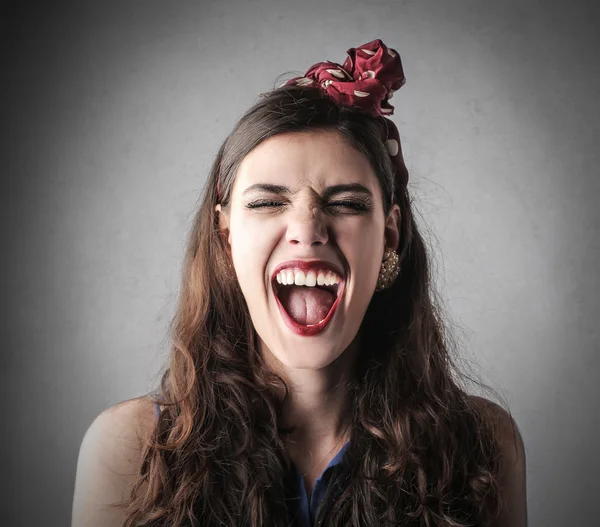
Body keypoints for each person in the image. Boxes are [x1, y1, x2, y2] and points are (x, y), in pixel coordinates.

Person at [71, 39, 527, 527]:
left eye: (347, 203)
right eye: (268, 203)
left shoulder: (483, 446)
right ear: (226, 237)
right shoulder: (129, 449)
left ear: (389, 233)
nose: (308, 231)